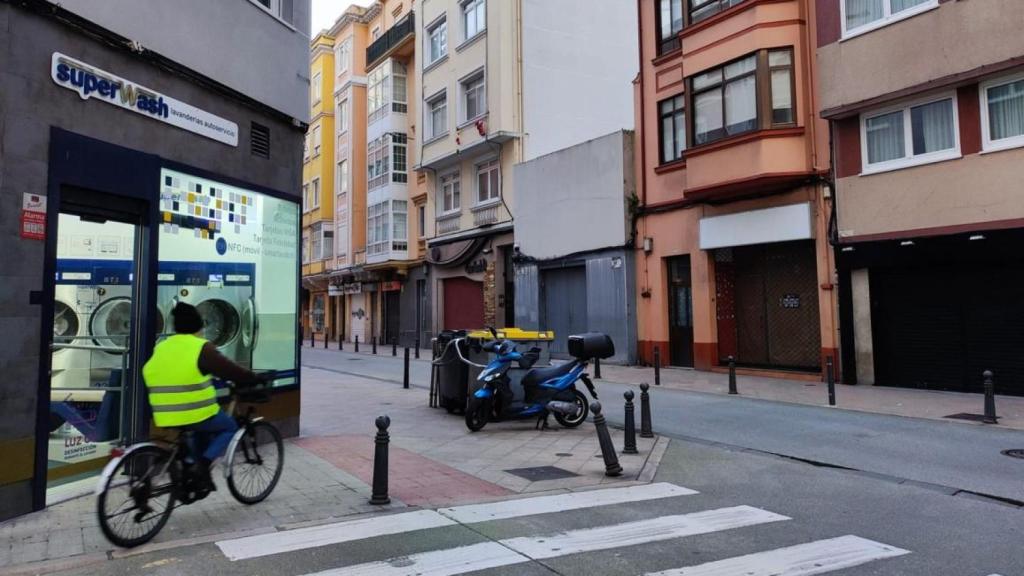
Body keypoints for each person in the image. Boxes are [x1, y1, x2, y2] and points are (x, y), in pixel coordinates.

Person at [142, 302, 264, 493]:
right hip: (194, 412)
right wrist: (252, 377)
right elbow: (229, 369)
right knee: (229, 426)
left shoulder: (163, 346)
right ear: (199, 327)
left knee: (198, 432)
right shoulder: (201, 347)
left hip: (163, 412)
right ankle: (203, 466)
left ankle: (191, 467)